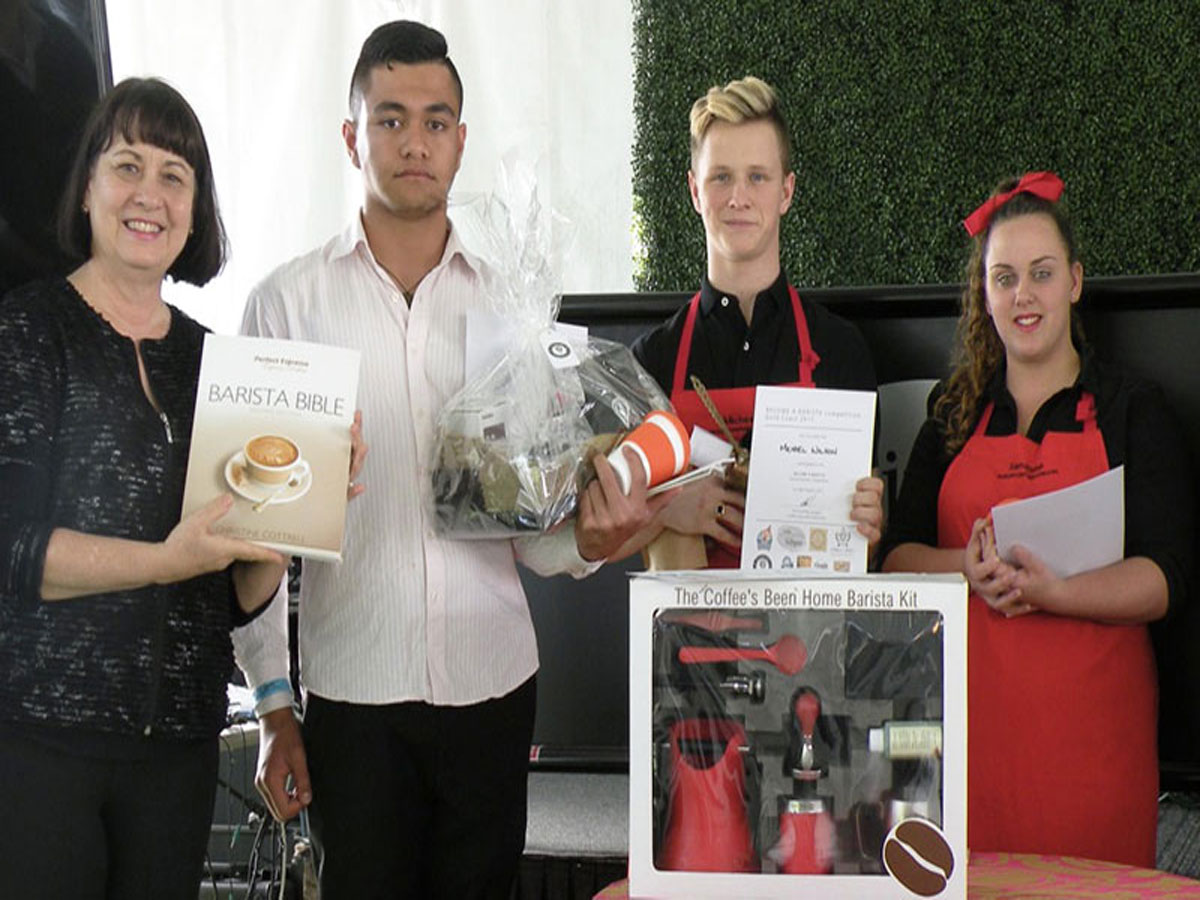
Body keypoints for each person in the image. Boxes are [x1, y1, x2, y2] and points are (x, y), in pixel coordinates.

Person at [232, 21, 658, 899]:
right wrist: (275, 702)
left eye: (434, 121)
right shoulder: (284, 307)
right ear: (352, 136)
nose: (412, 142)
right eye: (389, 120)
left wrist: (591, 539)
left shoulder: (513, 306)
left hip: (494, 684)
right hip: (353, 695)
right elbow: (254, 533)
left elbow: (528, 531)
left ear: (461, 142)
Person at [0, 78, 294, 899]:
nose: (149, 194)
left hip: (178, 750)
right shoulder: (26, 332)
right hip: (37, 744)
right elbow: (14, 550)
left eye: (175, 175)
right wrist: (165, 560)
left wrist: (291, 528)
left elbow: (235, 592)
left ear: (196, 212)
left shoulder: (218, 362)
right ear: (88, 186)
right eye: (127, 164)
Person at [880, 172, 1194, 866]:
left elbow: (1165, 577)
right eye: (1004, 278)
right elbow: (896, 558)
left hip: (1094, 760)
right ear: (984, 296)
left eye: (1042, 274)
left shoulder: (1131, 410)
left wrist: (1055, 593)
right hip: (964, 757)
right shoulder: (951, 416)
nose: (1023, 295)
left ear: (1075, 282)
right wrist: (961, 568)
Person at [630, 76, 883, 568]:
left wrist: (872, 524)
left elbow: (864, 545)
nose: (738, 197)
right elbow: (604, 531)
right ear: (694, 192)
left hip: (809, 642)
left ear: (786, 191)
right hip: (684, 643)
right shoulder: (652, 362)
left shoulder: (840, 350)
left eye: (758, 177)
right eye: (720, 177)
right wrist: (663, 508)